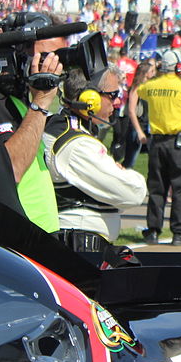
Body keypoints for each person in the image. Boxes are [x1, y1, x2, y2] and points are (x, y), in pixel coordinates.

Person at [44, 67, 147, 251]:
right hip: (80, 246)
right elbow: (133, 192)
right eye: (113, 95)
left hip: (80, 243)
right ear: (89, 99)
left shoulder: (67, 130)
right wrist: (127, 175)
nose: (117, 102)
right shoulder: (77, 145)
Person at [0, 25, 66, 233]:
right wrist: (42, 102)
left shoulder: (18, 103)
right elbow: (10, 169)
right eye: (46, 57)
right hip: (17, 239)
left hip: (36, 236)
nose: (54, 64)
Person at [134, 50, 181, 246]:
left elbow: (138, 90)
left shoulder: (152, 86)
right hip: (179, 143)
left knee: (156, 188)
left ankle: (153, 231)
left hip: (156, 143)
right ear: (178, 67)